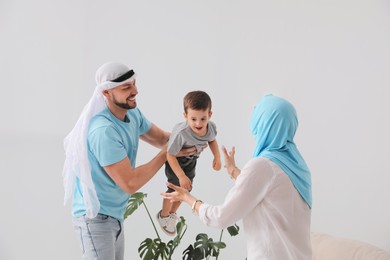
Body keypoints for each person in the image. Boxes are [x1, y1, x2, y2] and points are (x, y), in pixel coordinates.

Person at [62, 62, 195, 260]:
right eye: (126, 87)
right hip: (95, 219)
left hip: (114, 216)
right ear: (106, 93)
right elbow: (130, 183)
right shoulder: (103, 131)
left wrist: (192, 138)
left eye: (134, 84)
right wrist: (165, 154)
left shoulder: (132, 113)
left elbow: (160, 139)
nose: (135, 91)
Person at [162, 94, 312, 260]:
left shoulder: (263, 165)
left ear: (264, 123)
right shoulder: (298, 166)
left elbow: (221, 217)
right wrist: (233, 171)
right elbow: (270, 195)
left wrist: (188, 199)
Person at [156, 90, 222, 236]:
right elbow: (170, 155)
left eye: (203, 119)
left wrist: (217, 157)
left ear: (209, 115)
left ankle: (171, 214)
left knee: (186, 190)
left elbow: (212, 140)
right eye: (193, 119)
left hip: (192, 160)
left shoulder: (211, 128)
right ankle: (163, 215)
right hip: (176, 161)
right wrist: (180, 175)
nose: (198, 124)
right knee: (175, 188)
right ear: (185, 116)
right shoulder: (182, 133)